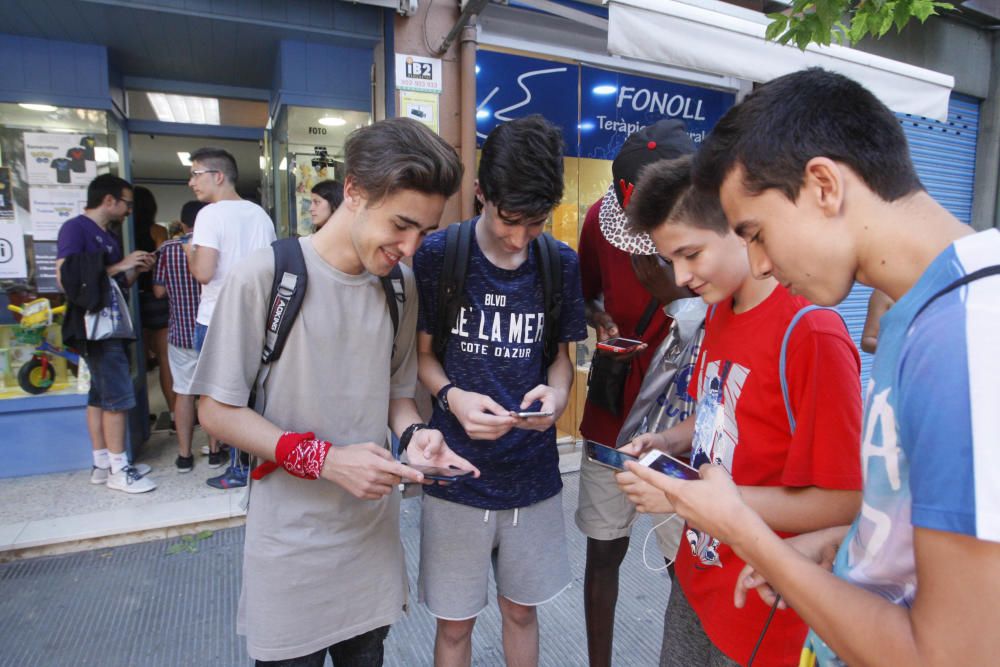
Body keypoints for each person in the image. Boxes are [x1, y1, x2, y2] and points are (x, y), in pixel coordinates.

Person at [625, 67, 1000, 667]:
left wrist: (746, 532)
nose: (760, 262)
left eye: (757, 233)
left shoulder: (971, 331)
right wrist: (846, 547)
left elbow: (950, 655)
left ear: (823, 184)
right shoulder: (921, 316)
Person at [190, 117, 475, 666]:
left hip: (370, 543)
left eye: (425, 233)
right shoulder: (267, 275)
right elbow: (217, 411)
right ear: (354, 191)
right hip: (289, 546)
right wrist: (323, 459)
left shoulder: (399, 285)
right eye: (401, 224)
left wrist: (416, 434)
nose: (410, 247)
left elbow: (396, 393)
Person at [617, 154, 864, 666]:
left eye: (691, 254)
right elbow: (721, 410)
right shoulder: (719, 309)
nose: (681, 277)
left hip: (763, 602)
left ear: (739, 226)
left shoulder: (812, 333)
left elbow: (843, 503)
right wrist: (667, 442)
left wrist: (686, 499)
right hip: (697, 577)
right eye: (671, 260)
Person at [413, 114, 587, 667]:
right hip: (454, 474)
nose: (518, 238)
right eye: (509, 220)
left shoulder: (560, 264)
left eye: (535, 223)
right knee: (455, 626)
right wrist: (452, 399)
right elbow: (421, 358)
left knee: (521, 612)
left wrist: (557, 400)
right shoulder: (440, 255)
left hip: (532, 477)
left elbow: (561, 363)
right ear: (481, 194)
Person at [574, 120, 695, 667]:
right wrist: (598, 316)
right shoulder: (601, 221)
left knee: (683, 563)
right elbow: (585, 294)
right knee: (604, 550)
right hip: (614, 407)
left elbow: (724, 317)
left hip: (683, 416)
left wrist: (674, 296)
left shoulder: (710, 230)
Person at [56, 174, 156, 494]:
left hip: (111, 323)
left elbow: (112, 284)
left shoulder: (109, 236)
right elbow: (65, 278)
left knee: (100, 396)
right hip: (94, 328)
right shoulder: (75, 228)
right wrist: (118, 265)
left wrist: (134, 270)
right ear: (109, 200)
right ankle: (119, 468)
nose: (129, 210)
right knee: (117, 397)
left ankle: (103, 464)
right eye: (126, 202)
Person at [185, 146, 277, 489]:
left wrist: (190, 252)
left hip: (216, 320)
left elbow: (204, 273)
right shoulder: (259, 215)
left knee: (221, 399)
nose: (191, 182)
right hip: (257, 317)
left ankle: (239, 469)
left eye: (196, 174)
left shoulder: (209, 215)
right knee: (252, 394)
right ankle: (254, 462)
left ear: (217, 176)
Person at [153, 200, 223, 472]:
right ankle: (215, 451)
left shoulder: (168, 250)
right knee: (211, 394)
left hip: (180, 332)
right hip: (210, 330)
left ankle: (184, 455)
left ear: (182, 223)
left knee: (183, 393)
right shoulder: (214, 248)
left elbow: (158, 292)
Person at [134, 186, 174, 428]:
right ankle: (173, 412)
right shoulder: (157, 231)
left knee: (137, 360)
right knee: (164, 359)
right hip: (155, 298)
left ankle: (140, 414)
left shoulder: (121, 232)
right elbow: (163, 262)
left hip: (130, 298)